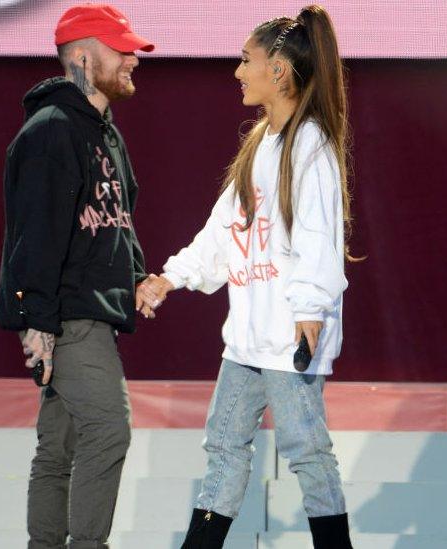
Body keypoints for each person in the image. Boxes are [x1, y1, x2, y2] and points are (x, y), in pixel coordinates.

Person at [137, 5, 355, 548]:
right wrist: (173, 276)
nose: (237, 72)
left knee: (307, 451)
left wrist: (309, 311)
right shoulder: (260, 144)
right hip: (247, 341)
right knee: (224, 446)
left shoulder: (311, 148)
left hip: (288, 340)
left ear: (278, 70)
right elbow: (223, 229)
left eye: (246, 60)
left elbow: (317, 237)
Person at [0, 5, 159, 548]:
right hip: (70, 317)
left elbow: (119, 220)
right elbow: (34, 236)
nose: (133, 59)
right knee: (109, 431)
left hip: (91, 314)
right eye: (122, 49)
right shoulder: (52, 131)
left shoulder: (104, 134)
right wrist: (36, 321)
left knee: (59, 450)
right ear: (85, 58)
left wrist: (136, 276)